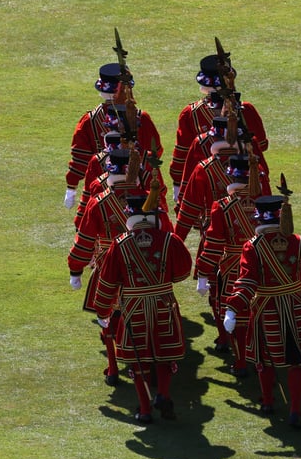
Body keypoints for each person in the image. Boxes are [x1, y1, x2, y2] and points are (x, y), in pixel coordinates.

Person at [68, 151, 172, 387]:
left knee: (109, 318)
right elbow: (166, 233)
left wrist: (76, 269)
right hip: (149, 266)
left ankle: (113, 367)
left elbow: (85, 239)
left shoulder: (98, 202)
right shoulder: (150, 199)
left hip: (110, 264)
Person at [224, 195, 301, 428]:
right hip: (295, 304)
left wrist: (232, 307)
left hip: (266, 307)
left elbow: (246, 281)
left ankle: (268, 401)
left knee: (263, 358)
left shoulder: (252, 246)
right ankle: (295, 409)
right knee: (297, 360)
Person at [93, 195, 193, 424]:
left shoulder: (119, 244)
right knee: (165, 354)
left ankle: (146, 409)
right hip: (163, 303)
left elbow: (107, 282)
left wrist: (102, 311)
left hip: (134, 306)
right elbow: (182, 272)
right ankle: (163, 394)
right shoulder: (169, 239)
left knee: (138, 360)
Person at [169, 53, 269, 204]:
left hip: (208, 180)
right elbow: (261, 145)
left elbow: (182, 154)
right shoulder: (246, 110)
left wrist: (178, 184)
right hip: (245, 179)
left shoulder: (190, 113)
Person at [64, 63, 162, 211]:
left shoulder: (89, 120)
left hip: (101, 188)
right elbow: (155, 153)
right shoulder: (142, 118)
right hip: (138, 187)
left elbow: (80, 159)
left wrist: (71, 186)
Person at [195, 155, 260, 372]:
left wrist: (203, 272)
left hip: (235, 266)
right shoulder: (266, 201)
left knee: (236, 315)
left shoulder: (221, 206)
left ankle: (241, 362)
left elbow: (213, 245)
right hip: (264, 263)